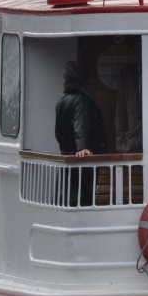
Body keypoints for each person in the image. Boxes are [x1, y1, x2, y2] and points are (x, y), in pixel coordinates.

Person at [54, 61, 107, 206]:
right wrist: (82, 148)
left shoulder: (62, 101)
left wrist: (67, 149)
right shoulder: (81, 101)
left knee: (67, 197)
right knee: (82, 199)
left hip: (68, 159)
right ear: (85, 80)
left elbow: (58, 133)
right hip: (81, 166)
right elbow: (80, 125)